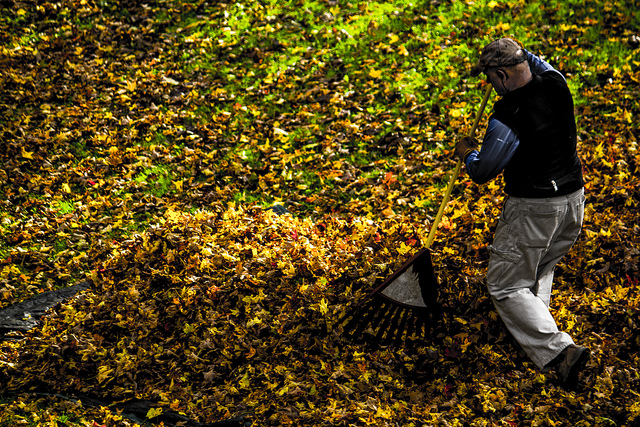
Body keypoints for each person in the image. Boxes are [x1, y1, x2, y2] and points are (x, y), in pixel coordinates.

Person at [455, 38, 589, 388]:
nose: (489, 85)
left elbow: (484, 171)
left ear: (503, 74)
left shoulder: (509, 116)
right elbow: (533, 59)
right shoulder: (555, 82)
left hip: (534, 208)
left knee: (505, 285)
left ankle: (560, 352)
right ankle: (533, 332)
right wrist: (513, 48)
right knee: (538, 265)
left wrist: (468, 152)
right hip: (573, 200)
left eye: (490, 78)